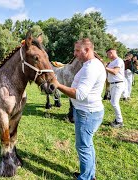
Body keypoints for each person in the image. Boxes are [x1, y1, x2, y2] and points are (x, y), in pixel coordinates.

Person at [53, 38, 106, 180]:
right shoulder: (89, 64)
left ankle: (86, 178)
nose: (74, 54)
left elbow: (80, 94)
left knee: (83, 147)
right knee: (87, 145)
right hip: (87, 111)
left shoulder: (91, 68)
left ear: (87, 50)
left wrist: (57, 85)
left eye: (77, 50)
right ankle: (88, 174)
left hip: (87, 113)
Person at [106, 48, 125, 128]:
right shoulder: (113, 62)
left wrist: (105, 67)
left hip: (118, 84)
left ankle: (119, 121)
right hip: (113, 84)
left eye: (107, 54)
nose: (107, 56)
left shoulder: (118, 60)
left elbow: (115, 72)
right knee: (113, 102)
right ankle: (117, 119)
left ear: (111, 53)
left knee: (114, 102)